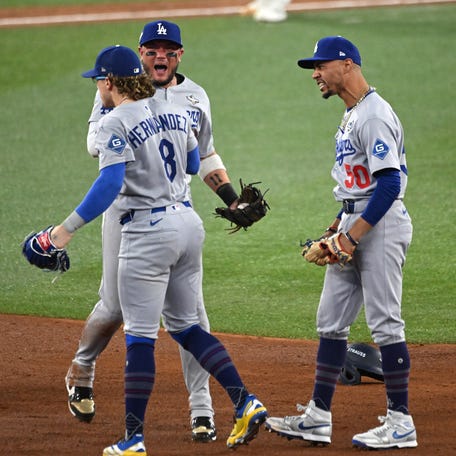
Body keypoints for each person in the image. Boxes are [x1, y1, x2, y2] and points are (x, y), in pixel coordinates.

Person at [45, 44, 268, 455]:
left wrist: (64, 231)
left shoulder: (115, 120)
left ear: (109, 82)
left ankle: (133, 438)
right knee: (187, 327)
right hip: (187, 223)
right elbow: (189, 164)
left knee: (141, 338)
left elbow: (110, 182)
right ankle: (245, 400)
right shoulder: (177, 112)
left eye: (99, 81)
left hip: (146, 232)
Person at [265, 36, 417, 450]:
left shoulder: (373, 115)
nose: (315, 73)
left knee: (386, 323)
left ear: (347, 64)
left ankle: (401, 423)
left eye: (321, 65)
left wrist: (350, 237)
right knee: (330, 322)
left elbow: (389, 185)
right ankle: (317, 417)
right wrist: (335, 227)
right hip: (355, 219)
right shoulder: (352, 115)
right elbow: (356, 185)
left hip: (379, 225)